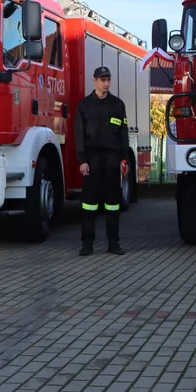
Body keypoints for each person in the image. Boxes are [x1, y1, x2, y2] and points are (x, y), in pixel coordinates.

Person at [74, 65, 130, 255]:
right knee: (89, 204)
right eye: (102, 80)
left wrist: (124, 159)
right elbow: (79, 135)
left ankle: (113, 243)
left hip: (112, 160)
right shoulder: (84, 106)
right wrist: (82, 160)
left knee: (113, 204)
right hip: (92, 160)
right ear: (94, 81)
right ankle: (87, 244)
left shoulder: (117, 105)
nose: (106, 83)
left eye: (108, 80)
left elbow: (123, 134)